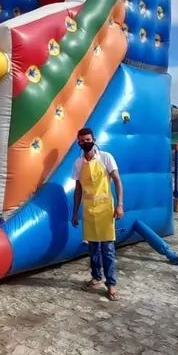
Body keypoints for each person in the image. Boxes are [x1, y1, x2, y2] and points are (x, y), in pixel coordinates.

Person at [71, 127, 124, 301]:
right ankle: (96, 277)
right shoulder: (78, 163)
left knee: (107, 249)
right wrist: (75, 212)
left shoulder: (106, 158)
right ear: (78, 142)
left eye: (88, 139)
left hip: (105, 209)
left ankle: (112, 284)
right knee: (93, 248)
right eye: (82, 140)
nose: (85, 143)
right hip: (88, 209)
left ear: (93, 139)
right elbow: (78, 189)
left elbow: (117, 181)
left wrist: (119, 205)